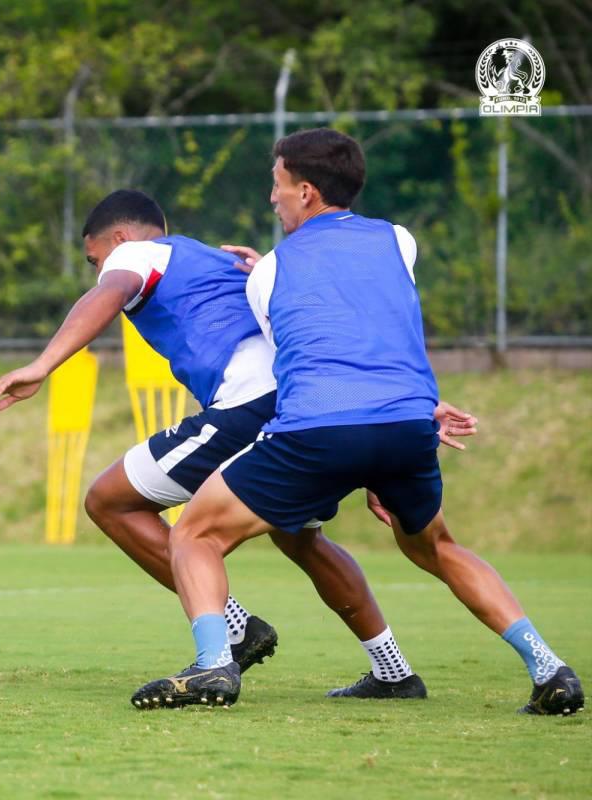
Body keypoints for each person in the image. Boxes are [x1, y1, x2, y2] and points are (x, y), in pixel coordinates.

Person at [134, 128, 583, 715]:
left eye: (278, 184)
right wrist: (390, 441)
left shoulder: (269, 273)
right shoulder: (399, 239)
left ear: (306, 191)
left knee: (194, 533)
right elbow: (371, 324)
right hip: (408, 422)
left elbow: (300, 357)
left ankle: (214, 664)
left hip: (318, 429)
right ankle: (549, 668)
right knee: (437, 546)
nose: (272, 197)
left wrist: (263, 272)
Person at [0, 189, 474, 702]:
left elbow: (110, 291)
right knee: (300, 538)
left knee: (110, 501)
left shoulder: (136, 254)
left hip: (247, 403)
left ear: (119, 238)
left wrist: (43, 364)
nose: (98, 270)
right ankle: (393, 671)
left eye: (93, 258)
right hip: (305, 404)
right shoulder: (225, 261)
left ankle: (233, 632)